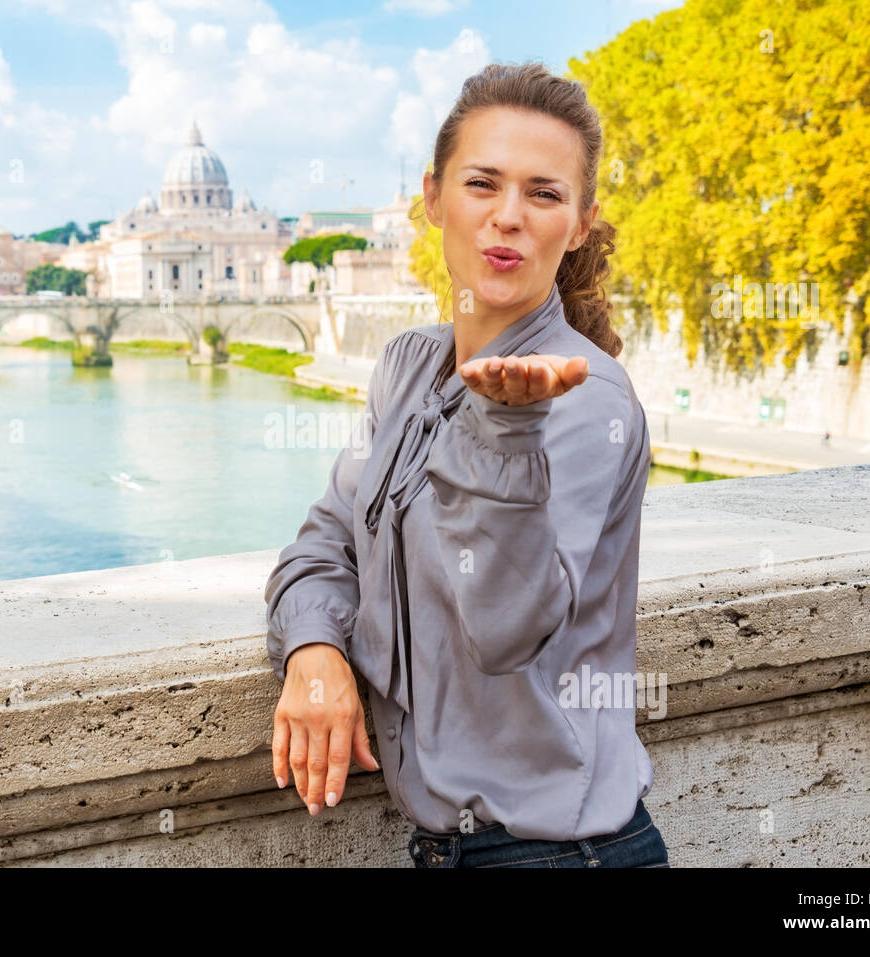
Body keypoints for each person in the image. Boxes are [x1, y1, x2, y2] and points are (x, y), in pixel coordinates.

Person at [264, 61, 669, 868]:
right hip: (458, 848)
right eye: (482, 183)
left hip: (560, 852)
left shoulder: (589, 403)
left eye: (544, 194)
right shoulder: (409, 365)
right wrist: (315, 651)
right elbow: (324, 545)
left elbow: (501, 629)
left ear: (580, 224)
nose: (508, 217)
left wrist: (509, 432)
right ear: (433, 197)